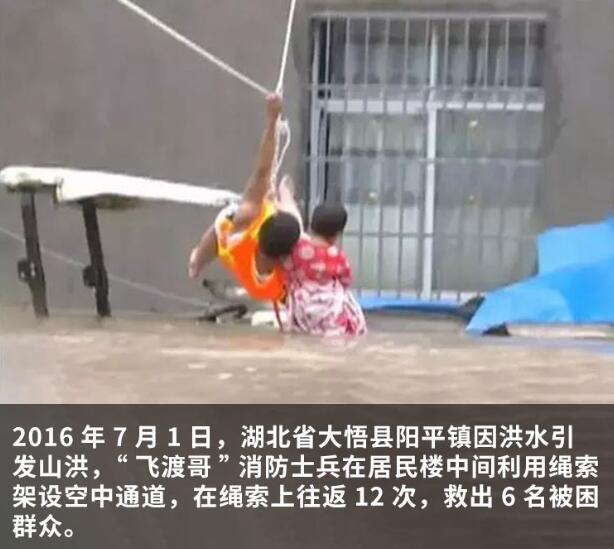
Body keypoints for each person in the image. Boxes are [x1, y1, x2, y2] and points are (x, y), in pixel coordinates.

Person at [188, 94, 302, 304]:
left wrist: (272, 119)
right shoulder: (245, 227)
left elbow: (262, 172)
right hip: (247, 239)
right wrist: (272, 121)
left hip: (249, 244)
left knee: (281, 208)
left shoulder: (290, 258)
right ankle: (198, 259)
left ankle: (285, 193)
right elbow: (262, 171)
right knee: (231, 221)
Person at [281, 202, 367, 337]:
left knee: (301, 334)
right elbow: (346, 280)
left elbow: (287, 272)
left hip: (302, 303)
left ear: (311, 225)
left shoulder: (296, 249)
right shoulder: (337, 255)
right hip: (329, 305)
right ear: (338, 233)